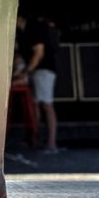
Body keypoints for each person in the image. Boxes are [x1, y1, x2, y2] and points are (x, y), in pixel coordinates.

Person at [17, 12, 60, 154]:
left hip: (43, 69)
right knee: (35, 104)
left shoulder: (33, 29)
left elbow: (38, 53)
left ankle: (51, 142)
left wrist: (27, 71)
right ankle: (36, 139)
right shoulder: (22, 33)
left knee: (46, 104)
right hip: (36, 70)